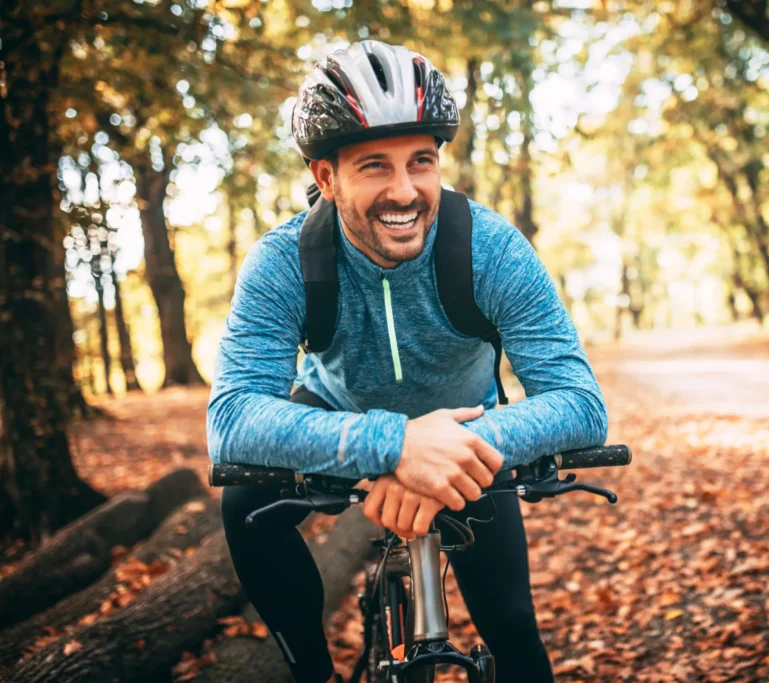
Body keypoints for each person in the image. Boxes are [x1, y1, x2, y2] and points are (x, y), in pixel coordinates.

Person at [207, 40, 607, 683]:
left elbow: (582, 403)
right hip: (338, 409)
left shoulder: (492, 249)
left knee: (513, 634)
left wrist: (443, 449)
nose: (405, 191)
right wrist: (394, 445)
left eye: (421, 162)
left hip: (469, 433)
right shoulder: (283, 261)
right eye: (374, 167)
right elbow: (231, 419)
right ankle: (310, 669)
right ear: (326, 177)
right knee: (242, 501)